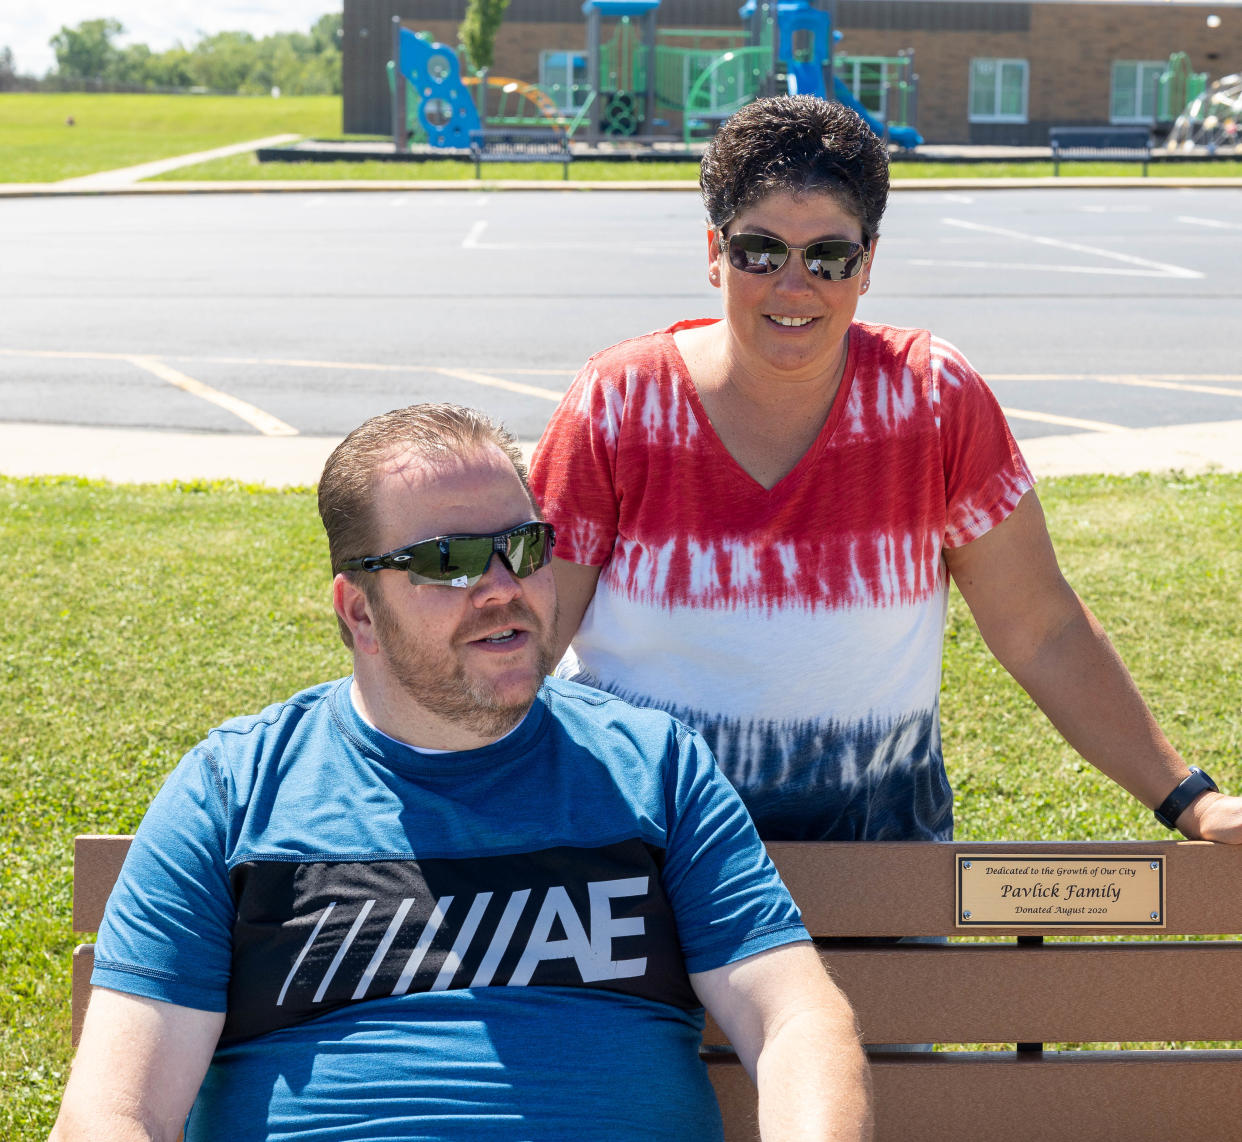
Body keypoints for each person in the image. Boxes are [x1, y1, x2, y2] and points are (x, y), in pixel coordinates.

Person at [50, 403, 872, 1142]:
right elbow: (118, 1109)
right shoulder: (237, 792)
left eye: (522, 546)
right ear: (358, 611)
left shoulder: (651, 769)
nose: (503, 589)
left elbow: (793, 1016)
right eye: (449, 561)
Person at [530, 95, 1242, 847]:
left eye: (829, 257)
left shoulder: (932, 398)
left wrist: (1190, 801)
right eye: (760, 251)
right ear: (715, 253)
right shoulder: (621, 400)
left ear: (867, 265)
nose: (795, 284)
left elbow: (1043, 630)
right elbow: (530, 635)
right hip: (645, 861)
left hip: (879, 864)